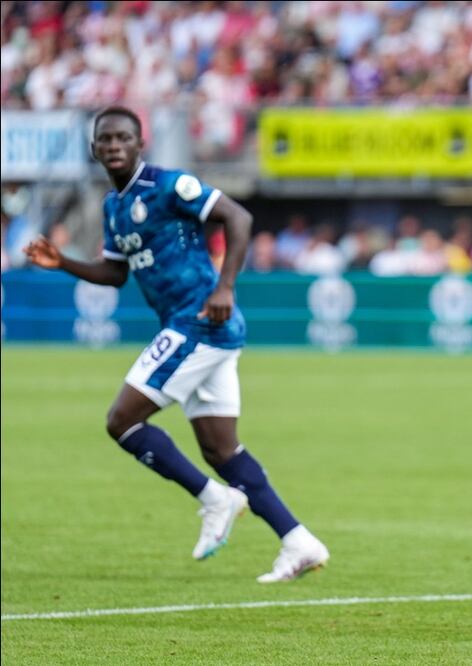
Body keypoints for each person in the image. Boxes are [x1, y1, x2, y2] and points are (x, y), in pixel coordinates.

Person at [23, 106, 329, 582]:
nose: (114, 146)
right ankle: (298, 541)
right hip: (196, 328)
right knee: (222, 451)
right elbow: (115, 273)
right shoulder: (114, 206)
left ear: (140, 143)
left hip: (200, 321)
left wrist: (226, 287)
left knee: (122, 420)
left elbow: (238, 217)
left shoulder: (169, 186)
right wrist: (63, 262)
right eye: (106, 140)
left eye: (123, 138)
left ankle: (215, 498)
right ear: (94, 149)